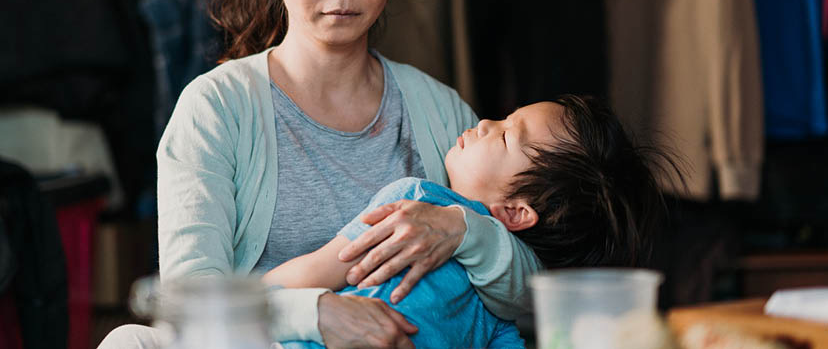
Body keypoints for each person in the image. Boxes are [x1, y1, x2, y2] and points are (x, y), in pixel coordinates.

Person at [100, 0, 540, 348]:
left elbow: (529, 301)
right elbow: (189, 300)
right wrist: (315, 313)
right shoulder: (216, 108)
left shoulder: (440, 111)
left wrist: (465, 231)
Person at [266, 95, 682, 348]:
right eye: (503, 118)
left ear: (516, 212)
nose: (484, 123)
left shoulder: (415, 201)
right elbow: (300, 284)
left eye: (504, 135)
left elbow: (300, 275)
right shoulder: (414, 207)